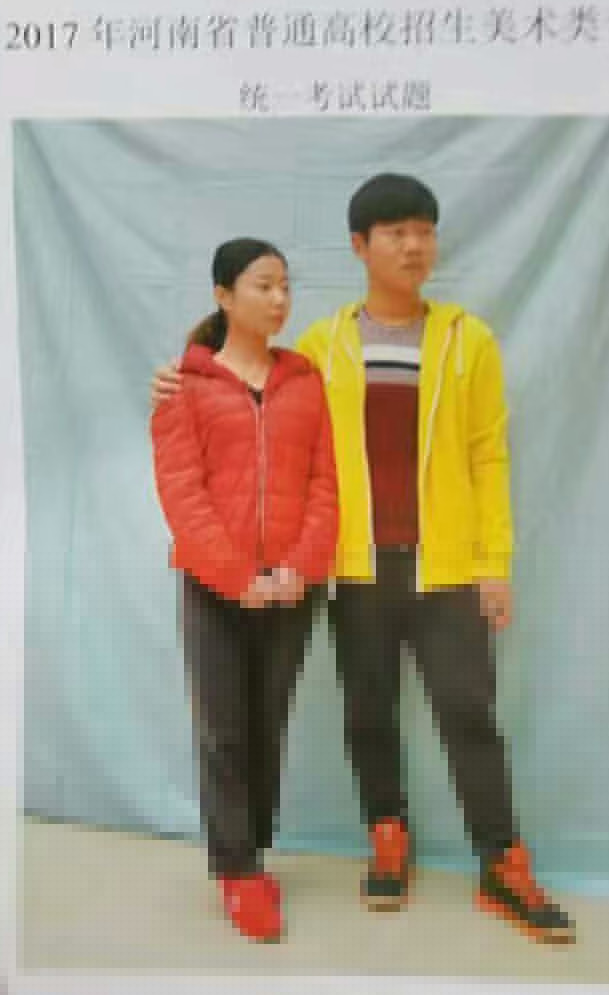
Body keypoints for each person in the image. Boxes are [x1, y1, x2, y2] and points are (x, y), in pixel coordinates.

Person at [151, 176, 575, 944]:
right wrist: (180, 370)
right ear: (359, 245)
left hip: (445, 565)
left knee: (469, 712)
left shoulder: (468, 340)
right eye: (395, 232)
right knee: (367, 710)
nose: (413, 246)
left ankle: (501, 861)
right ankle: (387, 836)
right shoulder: (321, 346)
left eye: (424, 231)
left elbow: (488, 455)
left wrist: (494, 560)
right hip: (355, 568)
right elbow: (250, 385)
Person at [150, 238, 338, 942]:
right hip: (214, 587)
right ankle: (238, 871)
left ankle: (251, 852)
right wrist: (237, 576)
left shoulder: (306, 381)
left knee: (267, 724)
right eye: (263, 285)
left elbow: (326, 484)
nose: (280, 299)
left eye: (285, 285)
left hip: (290, 590)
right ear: (223, 295)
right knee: (223, 729)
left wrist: (298, 568)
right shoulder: (185, 387)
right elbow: (182, 495)